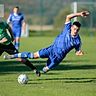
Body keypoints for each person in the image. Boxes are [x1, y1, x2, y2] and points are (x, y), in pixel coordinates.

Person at [4, 11, 89, 73]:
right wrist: (79, 14)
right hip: (51, 49)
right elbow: (68, 17)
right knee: (33, 55)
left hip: (58, 58)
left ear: (79, 30)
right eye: (74, 29)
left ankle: (40, 71)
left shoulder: (78, 41)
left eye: (77, 30)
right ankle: (12, 56)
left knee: (44, 70)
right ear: (71, 27)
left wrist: (79, 53)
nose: (75, 31)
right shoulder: (67, 28)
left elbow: (77, 51)